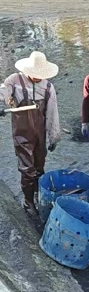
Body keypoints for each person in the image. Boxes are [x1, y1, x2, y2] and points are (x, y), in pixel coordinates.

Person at [0, 51, 60, 216]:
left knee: (39, 167)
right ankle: (28, 202)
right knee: (27, 169)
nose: (37, 77)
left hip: (39, 134)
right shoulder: (15, 80)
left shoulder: (48, 87)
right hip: (22, 135)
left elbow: (52, 113)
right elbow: (3, 90)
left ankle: (37, 194)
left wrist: (53, 136)